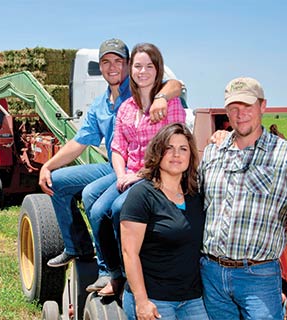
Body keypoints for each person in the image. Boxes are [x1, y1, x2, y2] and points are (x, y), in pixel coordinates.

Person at [39, 38, 183, 293]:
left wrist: (161, 97)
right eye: (106, 62)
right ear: (100, 67)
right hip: (115, 166)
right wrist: (48, 166)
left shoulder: (139, 86)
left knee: (97, 198)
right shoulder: (101, 104)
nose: (112, 67)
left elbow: (175, 84)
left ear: (128, 65)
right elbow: (80, 142)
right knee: (57, 182)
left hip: (140, 168)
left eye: (119, 61)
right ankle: (77, 247)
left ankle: (115, 268)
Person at [199, 77, 287, 319]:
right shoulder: (213, 152)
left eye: (248, 107)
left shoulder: (286, 155)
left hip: (257, 276)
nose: (240, 115)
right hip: (212, 273)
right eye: (233, 109)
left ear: (263, 106)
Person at [91, 43, 186, 296]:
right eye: (138, 66)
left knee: (119, 208)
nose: (143, 71)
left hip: (156, 175)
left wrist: (139, 175)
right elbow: (118, 147)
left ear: (158, 69)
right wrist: (121, 174)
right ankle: (115, 272)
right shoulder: (126, 107)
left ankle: (133, 275)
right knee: (98, 210)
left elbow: (174, 147)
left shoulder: (169, 103)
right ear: (130, 70)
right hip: (130, 174)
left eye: (149, 66)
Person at [120, 123, 207, 320]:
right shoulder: (142, 195)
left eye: (183, 149)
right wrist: (141, 302)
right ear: (158, 152)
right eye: (169, 148)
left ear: (190, 156)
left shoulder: (196, 195)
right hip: (155, 299)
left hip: (192, 298)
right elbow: (129, 253)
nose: (176, 154)